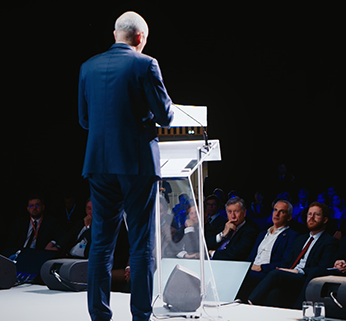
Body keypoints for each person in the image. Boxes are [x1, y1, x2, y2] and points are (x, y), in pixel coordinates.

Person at [78, 11, 173, 321]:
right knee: (141, 243)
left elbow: (84, 120)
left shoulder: (87, 67)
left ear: (115, 34)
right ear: (140, 39)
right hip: (136, 164)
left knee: (101, 244)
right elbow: (165, 115)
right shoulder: (145, 64)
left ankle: (99, 316)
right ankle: (141, 316)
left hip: (99, 163)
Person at [248, 202, 339, 309]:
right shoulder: (301, 239)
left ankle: (250, 303)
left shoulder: (329, 242)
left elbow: (322, 268)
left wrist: (297, 271)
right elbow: (288, 261)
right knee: (274, 293)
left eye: (316, 215)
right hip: (290, 276)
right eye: (309, 214)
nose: (311, 218)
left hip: (305, 278)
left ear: (325, 220)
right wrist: (283, 269)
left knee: (275, 274)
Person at [237, 200, 299, 301]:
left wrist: (261, 268)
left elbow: (286, 263)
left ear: (289, 217)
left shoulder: (292, 236)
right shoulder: (262, 234)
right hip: (251, 269)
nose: (277, 214)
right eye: (275, 210)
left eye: (282, 211)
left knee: (243, 278)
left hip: (266, 273)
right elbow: (251, 256)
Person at [208, 197, 259, 261]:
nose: (233, 216)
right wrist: (222, 235)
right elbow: (206, 244)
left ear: (244, 213)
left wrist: (212, 253)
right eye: (229, 212)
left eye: (236, 211)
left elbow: (237, 254)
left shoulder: (251, 229)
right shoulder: (223, 225)